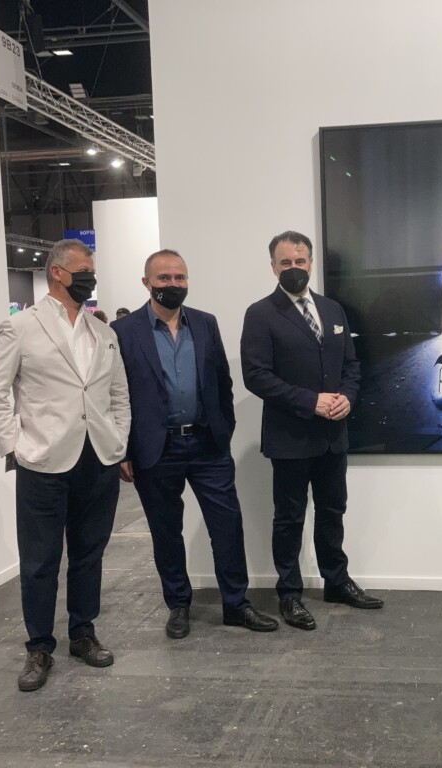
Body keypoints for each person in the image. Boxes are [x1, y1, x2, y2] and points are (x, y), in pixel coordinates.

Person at [0, 238, 130, 692]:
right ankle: (39, 647)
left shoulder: (103, 332)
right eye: (84, 269)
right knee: (40, 560)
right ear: (58, 273)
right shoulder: (21, 327)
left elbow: (118, 395)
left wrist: (118, 439)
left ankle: (82, 634)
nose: (92, 276)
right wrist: (17, 446)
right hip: (43, 462)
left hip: (97, 458)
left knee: (89, 554)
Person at [111, 249, 278, 637]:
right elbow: (114, 395)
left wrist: (224, 428)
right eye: (164, 278)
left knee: (228, 525)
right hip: (155, 449)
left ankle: (236, 604)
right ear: (146, 282)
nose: (173, 285)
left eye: (180, 278)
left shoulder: (205, 324)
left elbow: (222, 381)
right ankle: (179, 605)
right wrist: (123, 450)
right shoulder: (123, 332)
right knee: (166, 532)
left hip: (207, 445)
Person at [240, 230, 383, 630]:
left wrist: (346, 399)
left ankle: (336, 581)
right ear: (273, 266)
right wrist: (311, 401)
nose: (294, 268)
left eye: (300, 261)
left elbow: (352, 366)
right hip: (290, 437)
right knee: (289, 519)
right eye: (285, 262)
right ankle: (289, 594)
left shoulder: (333, 310)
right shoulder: (261, 313)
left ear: (311, 262)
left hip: (333, 436)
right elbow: (256, 376)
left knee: (332, 511)